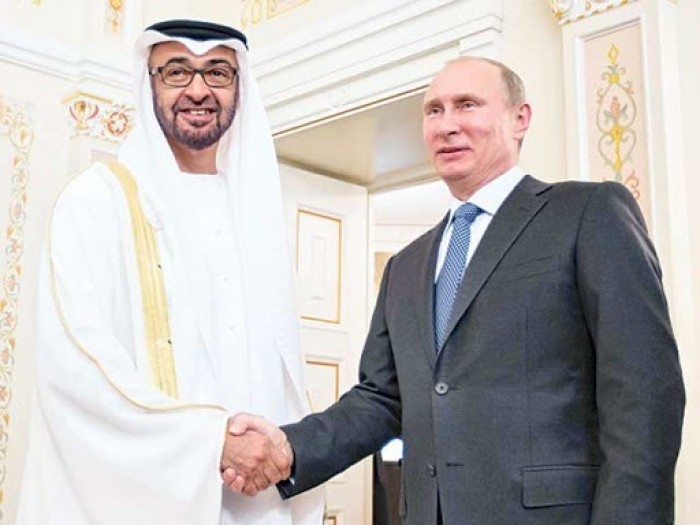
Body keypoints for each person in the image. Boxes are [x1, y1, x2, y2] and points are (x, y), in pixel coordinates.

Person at [226, 57, 686, 524]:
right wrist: (289, 448)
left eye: (467, 105)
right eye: (434, 110)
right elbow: (381, 399)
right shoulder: (405, 266)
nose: (447, 125)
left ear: (519, 118)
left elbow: (644, 390)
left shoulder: (587, 212)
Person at [16, 19, 322, 525]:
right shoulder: (97, 202)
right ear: (149, 82)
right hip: (146, 501)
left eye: (217, 72)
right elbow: (76, 369)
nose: (198, 90)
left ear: (239, 87)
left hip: (256, 504)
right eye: (177, 71)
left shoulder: (255, 216)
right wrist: (212, 443)